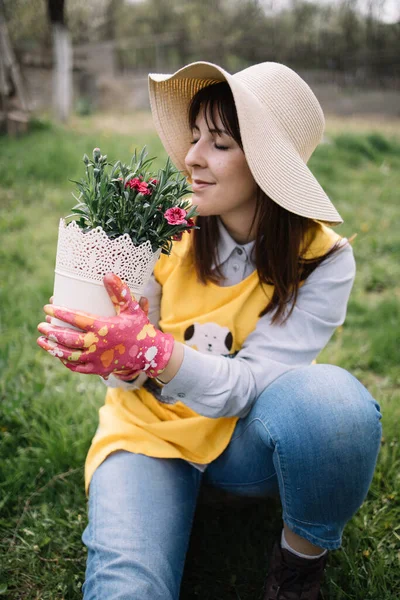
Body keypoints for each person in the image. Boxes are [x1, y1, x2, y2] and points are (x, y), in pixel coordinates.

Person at [37, 61, 382, 600]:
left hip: (244, 446)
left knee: (333, 405)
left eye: (219, 143)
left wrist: (156, 353)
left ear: (269, 166)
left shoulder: (321, 258)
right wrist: (122, 361)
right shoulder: (164, 230)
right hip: (149, 436)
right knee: (128, 589)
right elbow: (131, 372)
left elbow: (250, 386)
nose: (192, 156)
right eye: (195, 136)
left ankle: (297, 568)